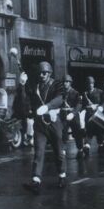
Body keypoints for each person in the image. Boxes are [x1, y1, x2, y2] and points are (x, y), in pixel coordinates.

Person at [20, 61, 66, 195]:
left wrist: (48, 106)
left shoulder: (57, 84)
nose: (42, 75)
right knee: (38, 152)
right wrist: (22, 85)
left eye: (45, 73)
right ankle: (36, 180)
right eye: (40, 73)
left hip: (53, 121)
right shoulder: (35, 86)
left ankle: (62, 175)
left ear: (50, 73)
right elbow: (24, 99)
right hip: (40, 124)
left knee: (59, 151)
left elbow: (60, 98)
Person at [61, 74, 84, 159]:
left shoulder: (75, 93)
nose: (65, 84)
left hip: (73, 115)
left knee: (77, 133)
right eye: (64, 82)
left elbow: (79, 104)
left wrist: (73, 113)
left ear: (70, 83)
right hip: (63, 114)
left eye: (67, 82)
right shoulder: (61, 93)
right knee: (62, 133)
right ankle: (62, 150)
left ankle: (80, 149)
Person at [82, 76, 102, 156]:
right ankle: (87, 146)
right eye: (89, 84)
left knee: (98, 130)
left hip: (97, 114)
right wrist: (87, 107)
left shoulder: (99, 91)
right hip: (89, 114)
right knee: (89, 131)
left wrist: (98, 106)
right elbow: (83, 104)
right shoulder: (85, 93)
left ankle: (101, 143)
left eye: (92, 83)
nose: (90, 85)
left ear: (93, 84)